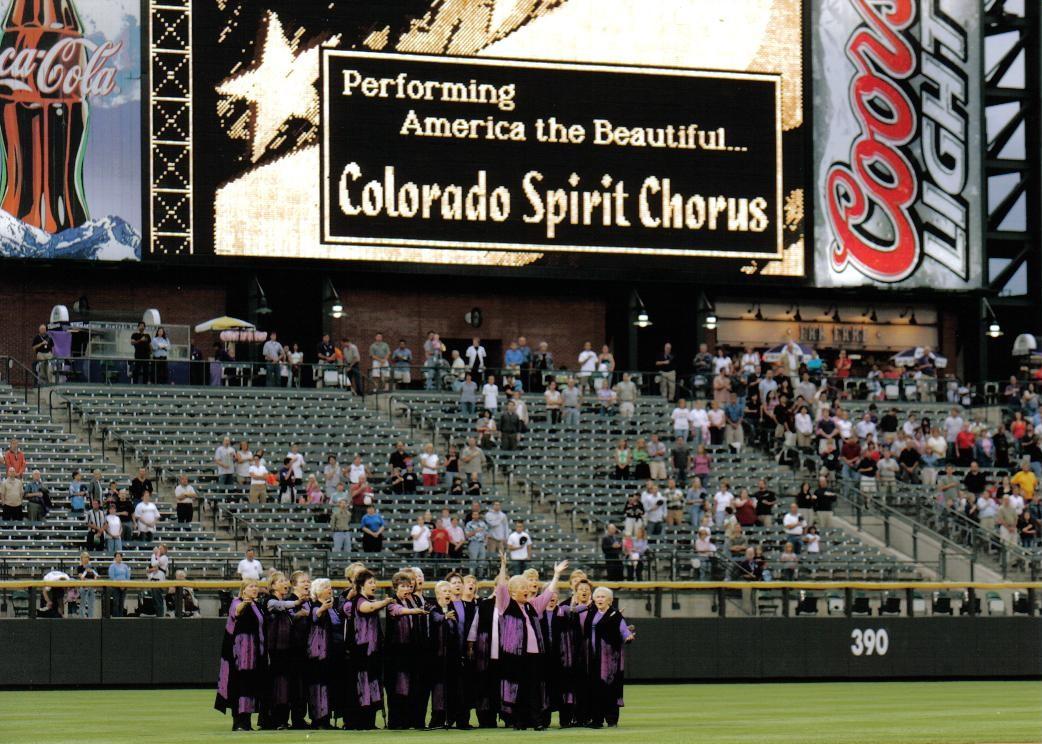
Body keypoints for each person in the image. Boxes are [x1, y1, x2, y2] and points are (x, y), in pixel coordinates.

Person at [215, 580, 267, 730]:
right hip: (241, 656)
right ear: (243, 590)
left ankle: (247, 722)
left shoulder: (257, 605)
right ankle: (238, 722)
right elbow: (236, 612)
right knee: (240, 686)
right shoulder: (237, 602)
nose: (254, 589)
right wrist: (245, 602)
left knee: (251, 687)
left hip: (255, 654)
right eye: (251, 586)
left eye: (256, 586)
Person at [584, 586, 636, 728]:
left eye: (603, 597)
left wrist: (628, 637)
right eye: (598, 597)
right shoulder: (591, 612)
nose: (600, 599)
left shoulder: (615, 615)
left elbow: (624, 630)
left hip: (610, 659)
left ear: (610, 600)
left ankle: (612, 719)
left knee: (610, 688)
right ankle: (597, 720)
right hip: (593, 657)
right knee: (595, 688)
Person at [147, 544, 169, 617]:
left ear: (165, 550)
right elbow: (148, 569)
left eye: (161, 549)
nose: (159, 550)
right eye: (158, 548)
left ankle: (160, 616)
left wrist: (154, 554)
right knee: (154, 600)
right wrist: (154, 555)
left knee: (158, 599)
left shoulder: (164, 557)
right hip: (153, 580)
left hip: (159, 580)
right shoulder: (157, 557)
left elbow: (153, 563)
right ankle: (157, 615)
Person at [106, 551, 130, 617]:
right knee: (116, 603)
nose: (119, 558)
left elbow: (128, 576)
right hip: (115, 587)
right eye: (117, 556)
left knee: (122, 603)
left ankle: (121, 617)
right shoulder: (112, 566)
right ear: (115, 558)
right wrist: (119, 585)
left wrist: (124, 585)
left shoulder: (125, 566)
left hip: (124, 586)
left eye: (120, 556)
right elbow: (112, 576)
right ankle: (115, 617)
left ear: (122, 558)